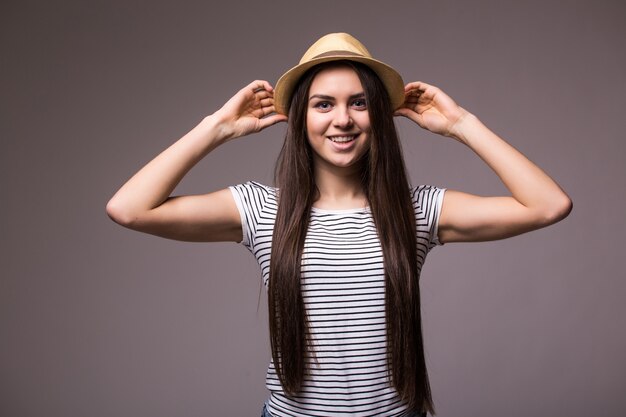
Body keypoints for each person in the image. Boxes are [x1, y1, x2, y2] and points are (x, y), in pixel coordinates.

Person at [106, 33, 572, 417]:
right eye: (323, 104)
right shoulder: (262, 210)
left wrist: (462, 124)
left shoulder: (416, 213)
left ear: (379, 118)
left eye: (360, 103)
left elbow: (548, 205)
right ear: (301, 118)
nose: (343, 119)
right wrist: (217, 127)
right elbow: (129, 208)